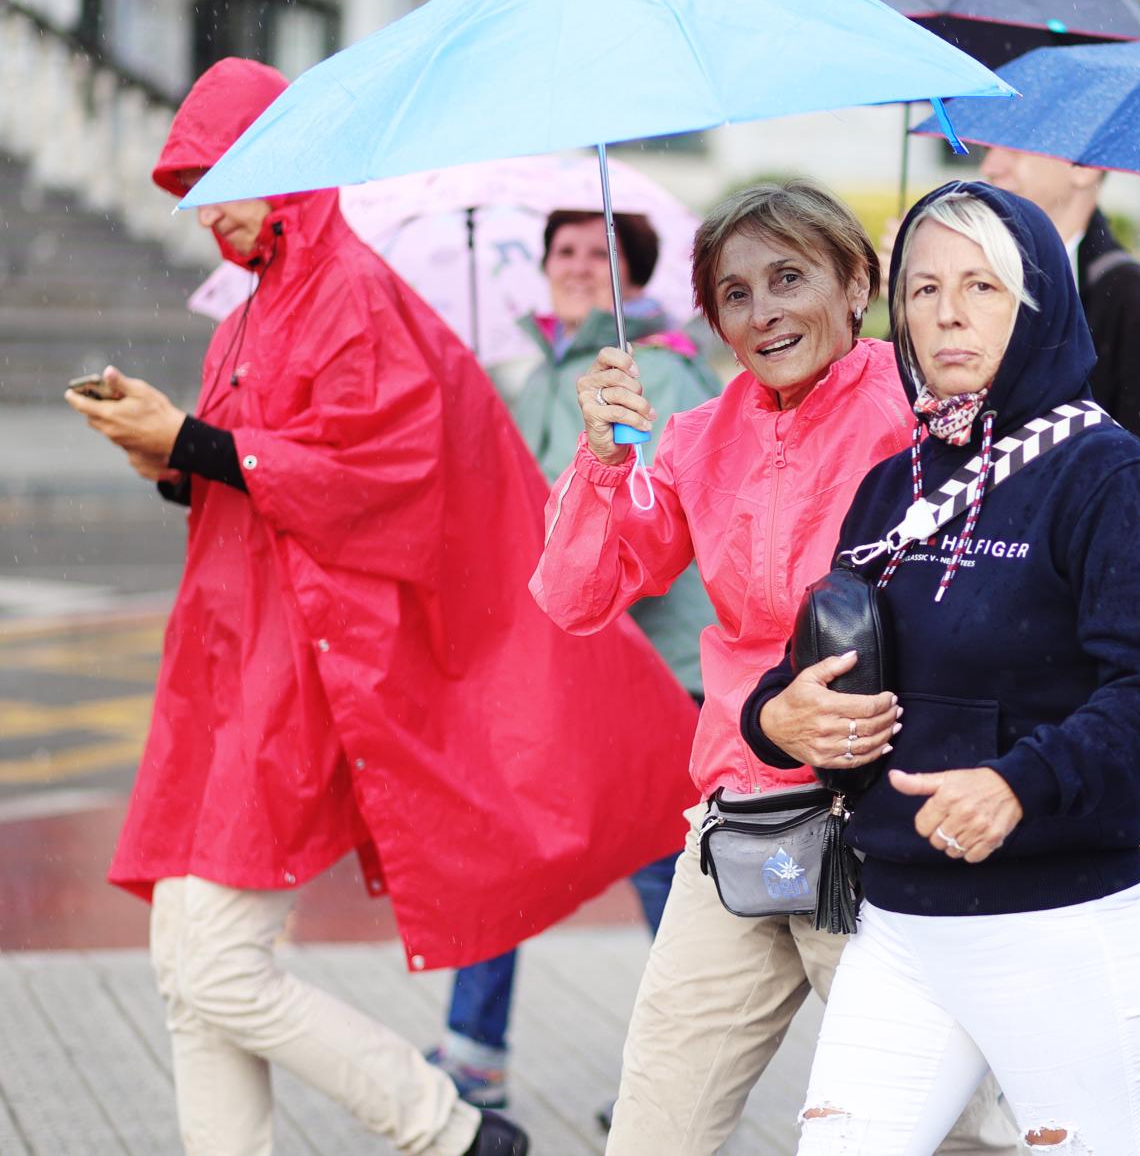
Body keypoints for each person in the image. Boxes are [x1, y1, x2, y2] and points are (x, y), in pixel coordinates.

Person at [65, 57, 699, 1156]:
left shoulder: (349, 295)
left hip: (298, 670)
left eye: (226, 180)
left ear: (285, 166)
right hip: (231, 661)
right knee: (189, 966)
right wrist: (164, 452)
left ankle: (446, 1127)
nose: (209, 211)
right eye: (196, 188)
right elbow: (251, 470)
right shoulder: (261, 310)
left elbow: (383, 477)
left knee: (213, 960)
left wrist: (194, 444)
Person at [530, 180, 1012, 1155]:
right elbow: (575, 595)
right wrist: (602, 461)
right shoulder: (696, 437)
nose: (765, 312)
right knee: (652, 1129)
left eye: (790, 277)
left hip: (884, 832)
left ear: (854, 284)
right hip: (743, 829)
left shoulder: (925, 416)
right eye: (736, 293)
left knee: (947, 1131)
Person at [742, 181, 1140, 1155]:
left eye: (982, 287)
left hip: (1058, 930)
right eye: (923, 288)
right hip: (896, 925)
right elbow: (796, 672)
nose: (946, 314)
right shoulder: (889, 484)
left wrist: (1014, 783)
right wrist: (776, 719)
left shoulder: (1103, 475)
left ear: (1036, 303)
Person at [431, 207, 723, 1108]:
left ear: (632, 276)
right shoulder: (531, 376)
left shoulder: (658, 371)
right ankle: (474, 1052)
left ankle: (676, 1081)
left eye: (601, 253)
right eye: (564, 251)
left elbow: (645, 531)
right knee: (506, 837)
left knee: (665, 873)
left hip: (645, 664)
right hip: (558, 659)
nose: (579, 266)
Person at [978, 145, 1140, 487]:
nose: (990, 166)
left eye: (1014, 149)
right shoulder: (974, 281)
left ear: (1084, 168)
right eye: (989, 149)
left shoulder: (1136, 305)